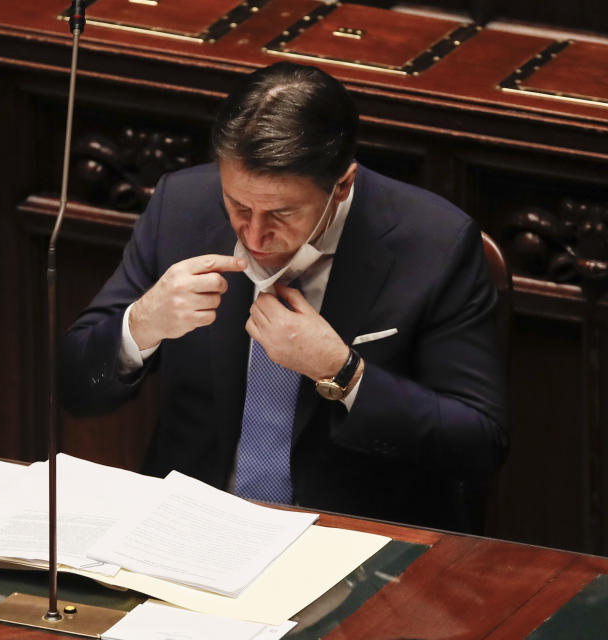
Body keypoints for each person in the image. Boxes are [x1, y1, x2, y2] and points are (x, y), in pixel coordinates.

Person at [59, 61, 507, 532]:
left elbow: (479, 442)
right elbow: (75, 388)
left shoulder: (436, 243)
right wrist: (140, 324)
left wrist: (344, 371)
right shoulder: (181, 206)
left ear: (342, 186)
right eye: (237, 205)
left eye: (282, 213)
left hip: (350, 542)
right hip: (187, 529)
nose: (254, 235)